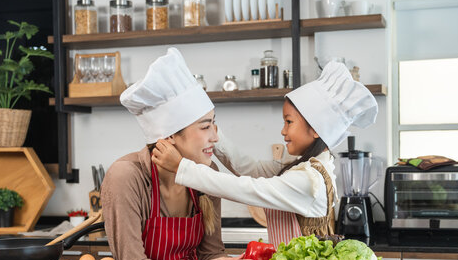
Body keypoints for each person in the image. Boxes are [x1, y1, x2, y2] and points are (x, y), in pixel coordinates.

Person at [152, 61, 378, 246]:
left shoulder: (309, 181)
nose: (283, 131)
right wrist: (214, 135)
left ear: (317, 129)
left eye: (289, 122)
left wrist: (181, 167)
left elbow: (247, 188)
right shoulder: (305, 166)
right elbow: (252, 169)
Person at [101, 48, 255, 260]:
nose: (215, 137)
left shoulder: (208, 174)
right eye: (205, 127)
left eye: (214, 124)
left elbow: (210, 254)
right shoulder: (127, 176)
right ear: (171, 135)